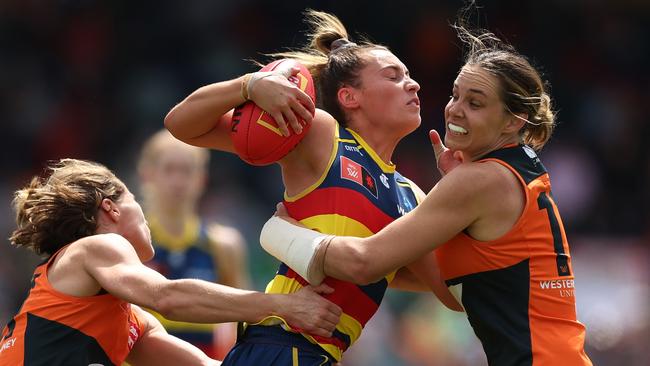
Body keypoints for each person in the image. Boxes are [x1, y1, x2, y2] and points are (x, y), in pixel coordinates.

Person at [260, 24, 593, 366]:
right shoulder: (516, 171)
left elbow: (365, 262)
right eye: (455, 95)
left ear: (513, 121)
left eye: (475, 103)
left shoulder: (481, 181)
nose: (455, 110)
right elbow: (456, 291)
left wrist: (278, 232)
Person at [165, 9, 460, 366]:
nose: (412, 84)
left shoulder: (410, 195)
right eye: (393, 76)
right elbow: (182, 125)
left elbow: (450, 291)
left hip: (321, 356)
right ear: (350, 97)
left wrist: (461, 191)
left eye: (410, 76)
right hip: (278, 345)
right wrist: (248, 86)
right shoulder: (321, 135)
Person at [0, 158, 341, 366]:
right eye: (134, 199)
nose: (144, 214)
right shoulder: (97, 247)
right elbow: (168, 298)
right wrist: (284, 306)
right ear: (111, 208)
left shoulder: (128, 322)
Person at [138, 129, 250, 360]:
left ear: (201, 180)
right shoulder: (129, 244)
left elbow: (246, 317)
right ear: (147, 175)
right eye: (169, 169)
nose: (178, 181)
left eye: (187, 171)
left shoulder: (223, 245)